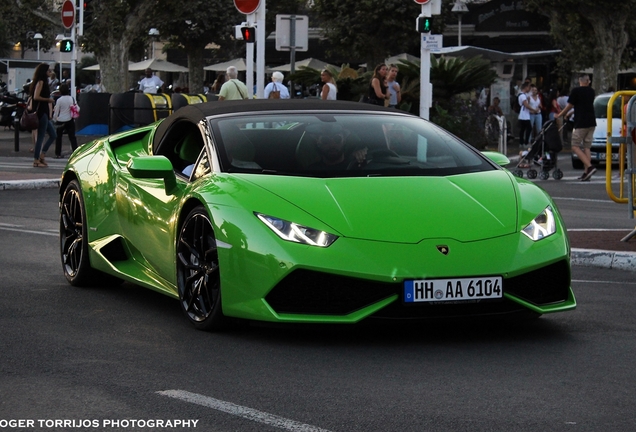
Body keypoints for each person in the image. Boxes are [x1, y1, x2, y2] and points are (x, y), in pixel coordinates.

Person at [556, 74, 597, 181]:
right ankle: (586, 172)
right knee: (587, 147)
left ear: (580, 81)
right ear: (588, 81)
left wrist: (560, 114)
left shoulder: (576, 91)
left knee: (575, 146)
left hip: (581, 122)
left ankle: (589, 166)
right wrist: (570, 113)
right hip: (591, 121)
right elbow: (583, 105)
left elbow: (569, 105)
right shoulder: (591, 91)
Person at [29, 63, 57, 168]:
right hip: (41, 112)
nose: (50, 72)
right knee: (41, 136)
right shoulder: (40, 82)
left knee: (53, 134)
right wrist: (48, 99)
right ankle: (36, 159)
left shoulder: (44, 82)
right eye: (48, 71)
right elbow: (36, 97)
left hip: (44, 111)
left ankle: (42, 155)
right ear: (44, 72)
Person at [53, 83, 79, 158]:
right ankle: (75, 153)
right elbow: (78, 108)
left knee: (58, 137)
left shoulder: (59, 100)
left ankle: (58, 153)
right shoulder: (72, 99)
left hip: (60, 120)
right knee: (72, 137)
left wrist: (55, 119)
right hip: (70, 119)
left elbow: (56, 111)